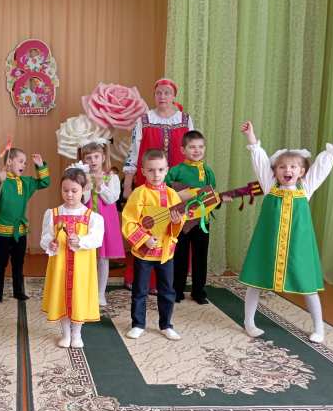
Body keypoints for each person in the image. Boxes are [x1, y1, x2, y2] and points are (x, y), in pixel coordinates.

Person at [238, 121, 333, 343]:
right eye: (282, 167)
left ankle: (319, 327)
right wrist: (251, 136)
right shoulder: (270, 186)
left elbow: (322, 166)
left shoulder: (305, 188)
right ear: (275, 171)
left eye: (293, 167)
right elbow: (259, 159)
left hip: (298, 246)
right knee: (256, 281)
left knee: (308, 285)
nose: (287, 170)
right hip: (268, 244)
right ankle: (249, 322)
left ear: (302, 172)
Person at [122, 78, 194, 289]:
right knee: (147, 226)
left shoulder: (185, 120)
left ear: (174, 96)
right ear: (154, 96)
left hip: (179, 185)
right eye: (159, 93)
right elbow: (134, 151)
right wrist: (128, 184)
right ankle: (142, 279)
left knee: (175, 227)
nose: (163, 96)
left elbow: (192, 152)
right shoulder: (144, 119)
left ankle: (171, 281)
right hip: (149, 183)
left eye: (167, 92)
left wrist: (194, 183)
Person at [122, 149, 186, 341]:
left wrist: (176, 222)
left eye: (160, 170)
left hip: (165, 252)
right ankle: (138, 324)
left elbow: (180, 221)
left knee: (167, 290)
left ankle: (166, 325)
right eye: (151, 170)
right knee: (140, 290)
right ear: (143, 171)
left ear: (167, 170)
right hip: (143, 253)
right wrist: (144, 239)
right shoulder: (139, 194)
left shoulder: (172, 195)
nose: (156, 174)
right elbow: (128, 221)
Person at [40, 166, 104, 349]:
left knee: (78, 297)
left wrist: (81, 240)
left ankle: (77, 334)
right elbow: (45, 237)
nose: (69, 194)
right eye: (65, 190)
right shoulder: (53, 214)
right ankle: (66, 334)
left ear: (84, 190)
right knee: (61, 297)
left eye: (74, 191)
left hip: (81, 268)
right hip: (60, 265)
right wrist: (50, 244)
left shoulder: (93, 217)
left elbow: (97, 239)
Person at [166, 130, 231, 304]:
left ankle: (198, 291)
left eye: (200, 147)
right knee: (179, 256)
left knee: (200, 257)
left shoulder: (208, 171)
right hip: (181, 222)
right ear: (183, 150)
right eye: (192, 147)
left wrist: (220, 200)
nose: (197, 150)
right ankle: (177, 290)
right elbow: (166, 193)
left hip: (202, 221)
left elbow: (211, 196)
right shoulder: (175, 171)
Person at [0, 147, 50, 303]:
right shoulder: (2, 181)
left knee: (18, 263)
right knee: (0, 263)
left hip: (20, 231)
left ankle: (18, 292)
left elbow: (44, 182)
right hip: (2, 232)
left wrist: (40, 166)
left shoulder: (25, 182)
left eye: (25, 163)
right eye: (21, 161)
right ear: (9, 161)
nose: (24, 165)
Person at [81, 141, 123, 306]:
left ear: (103, 157)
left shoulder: (112, 177)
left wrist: (100, 186)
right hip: (86, 221)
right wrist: (86, 186)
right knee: (86, 255)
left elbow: (112, 199)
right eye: (89, 158)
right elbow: (82, 200)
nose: (93, 161)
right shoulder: (82, 177)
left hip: (106, 221)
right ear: (84, 160)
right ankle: (86, 290)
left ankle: (100, 293)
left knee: (103, 257)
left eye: (96, 157)